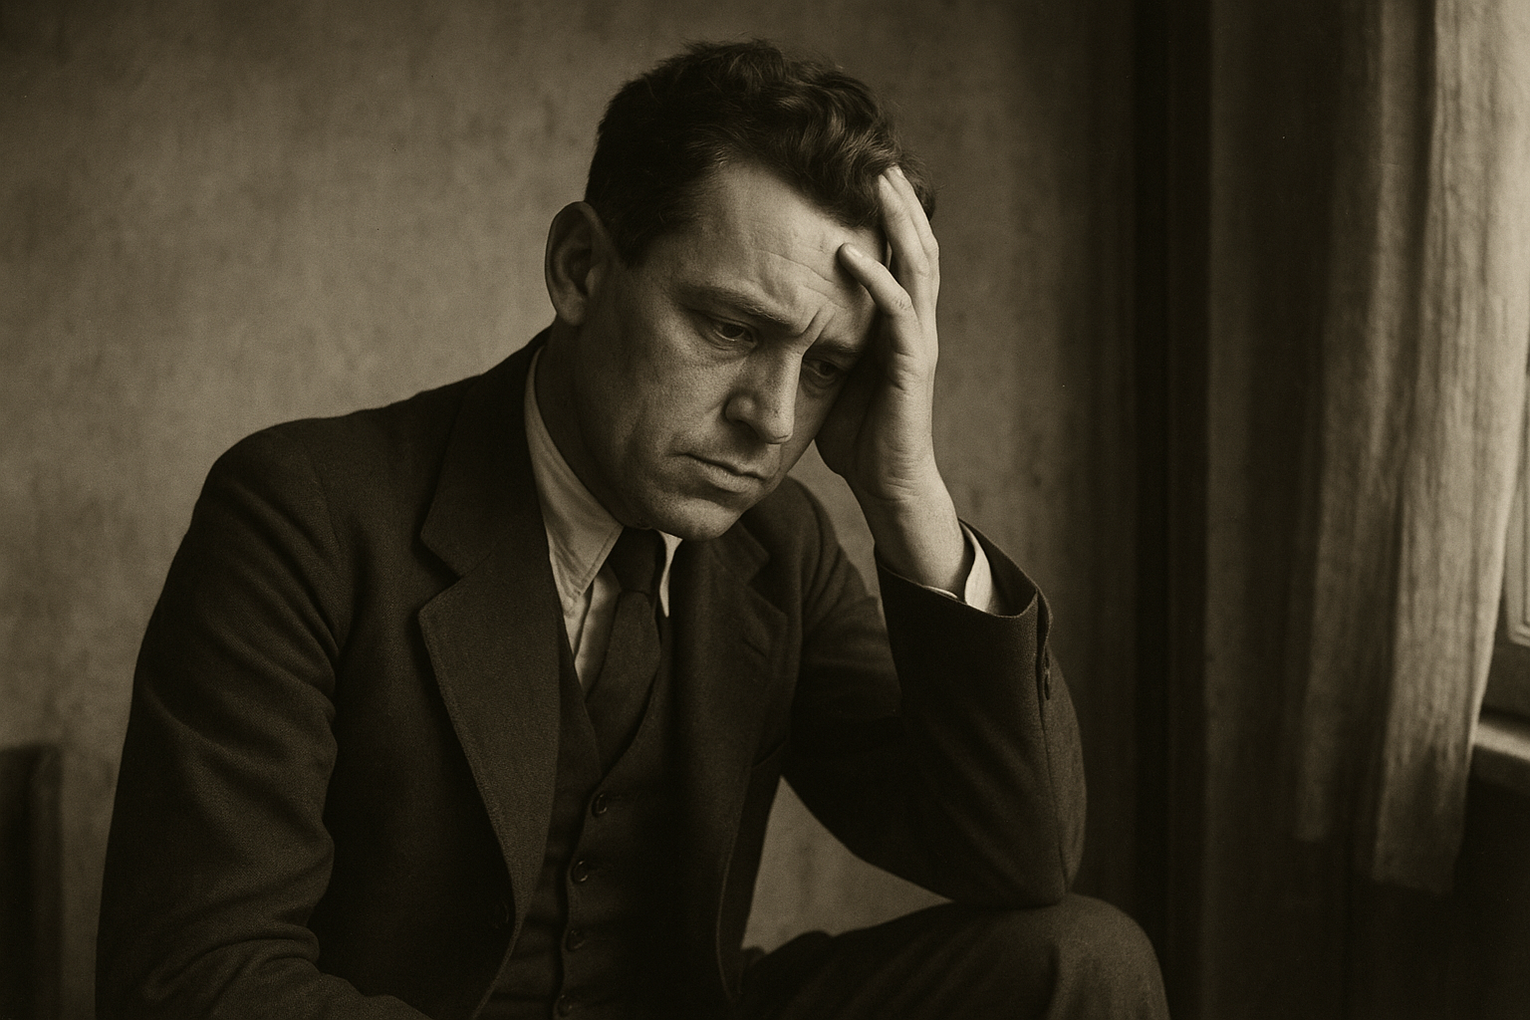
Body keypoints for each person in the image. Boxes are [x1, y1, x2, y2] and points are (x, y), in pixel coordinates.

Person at [97, 40, 1168, 1020]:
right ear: (581, 268)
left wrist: (906, 493)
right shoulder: (304, 511)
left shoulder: (782, 547)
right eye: (732, 328)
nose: (773, 418)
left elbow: (1019, 856)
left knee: (1082, 958)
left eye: (827, 368)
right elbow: (198, 976)